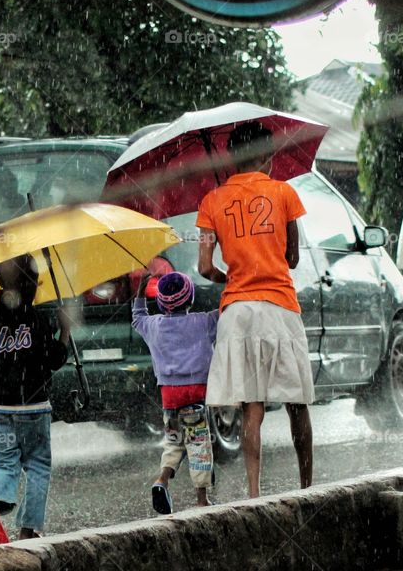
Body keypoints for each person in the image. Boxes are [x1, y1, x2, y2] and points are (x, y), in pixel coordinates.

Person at [196, 121, 314, 499]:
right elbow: (292, 258)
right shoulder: (284, 193)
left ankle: (253, 492)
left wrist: (229, 275)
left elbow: (204, 267)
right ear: (264, 155)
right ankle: (306, 486)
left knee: (252, 405)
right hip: (279, 305)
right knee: (297, 402)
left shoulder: (211, 201)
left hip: (238, 310)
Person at [0, 253, 71, 545]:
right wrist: (66, 329)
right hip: (34, 407)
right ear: (30, 281)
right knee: (37, 465)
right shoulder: (37, 318)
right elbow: (55, 359)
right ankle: (28, 530)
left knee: (5, 461)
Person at [132, 271, 219, 514]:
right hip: (196, 394)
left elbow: (137, 316)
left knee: (174, 441)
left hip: (169, 396)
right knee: (199, 442)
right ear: (190, 299)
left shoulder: (153, 326)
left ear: (160, 303)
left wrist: (140, 288)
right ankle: (202, 499)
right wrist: (227, 280)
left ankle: (162, 479)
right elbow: (228, 310)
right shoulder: (203, 322)